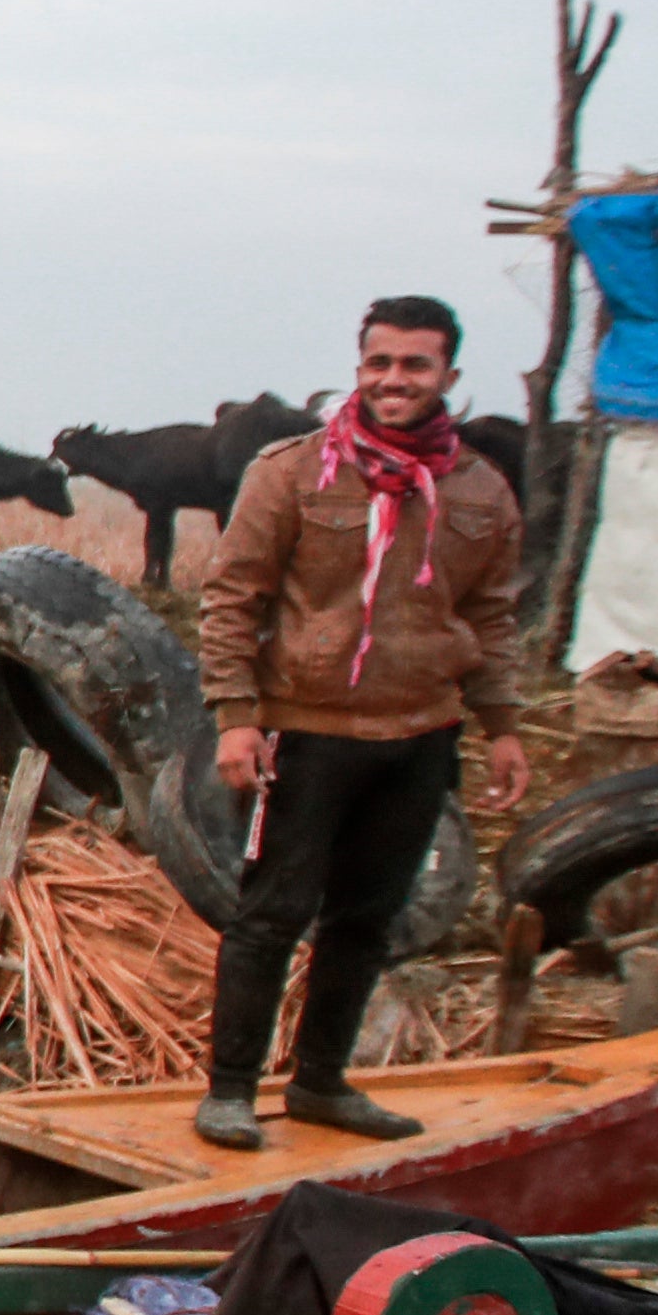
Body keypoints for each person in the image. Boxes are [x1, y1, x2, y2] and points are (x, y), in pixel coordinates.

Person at [188, 294, 533, 1154]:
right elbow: (233, 599)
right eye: (379, 363)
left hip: (420, 738)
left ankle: (319, 1085)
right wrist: (236, 719)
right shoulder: (294, 472)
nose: (393, 380)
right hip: (306, 735)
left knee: (366, 921)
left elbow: (490, 616)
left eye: (415, 365)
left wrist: (504, 725)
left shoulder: (482, 490)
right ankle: (230, 1092)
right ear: (358, 369)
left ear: (448, 376)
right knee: (271, 914)